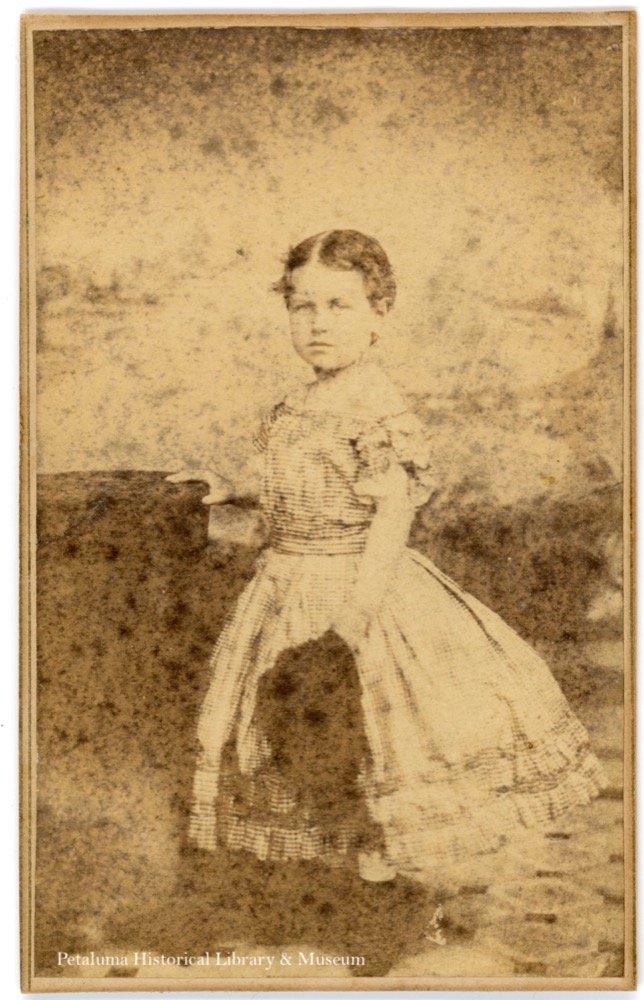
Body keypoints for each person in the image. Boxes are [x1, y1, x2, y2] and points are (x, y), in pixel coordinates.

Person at [167, 229, 608, 887]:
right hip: (284, 582)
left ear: (380, 314)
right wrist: (230, 486)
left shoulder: (375, 404)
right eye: (302, 306)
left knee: (368, 739)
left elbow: (391, 516)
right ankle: (322, 880)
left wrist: (355, 618)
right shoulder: (297, 405)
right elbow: (288, 477)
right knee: (285, 735)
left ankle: (374, 888)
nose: (317, 325)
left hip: (358, 588)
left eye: (338, 307)